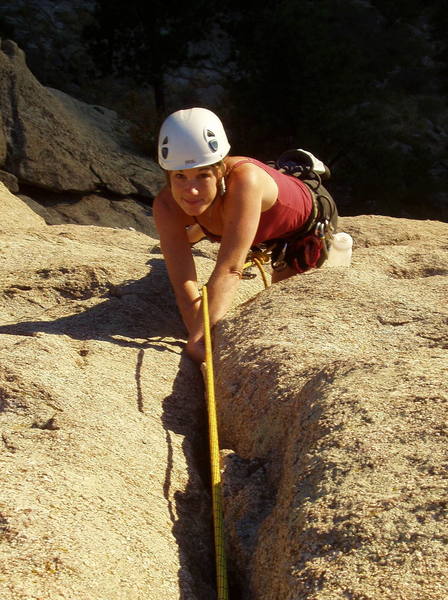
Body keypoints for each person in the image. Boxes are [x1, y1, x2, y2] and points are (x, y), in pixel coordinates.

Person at [153, 107, 338, 363]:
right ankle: (208, 226)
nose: (191, 190)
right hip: (239, 216)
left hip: (303, 226)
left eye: (203, 175)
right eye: (180, 177)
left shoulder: (244, 181)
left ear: (219, 170)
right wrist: (198, 331)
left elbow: (230, 268)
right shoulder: (165, 206)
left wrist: (199, 333)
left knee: (284, 305)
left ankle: (299, 170)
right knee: (206, 223)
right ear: (167, 175)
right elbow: (182, 281)